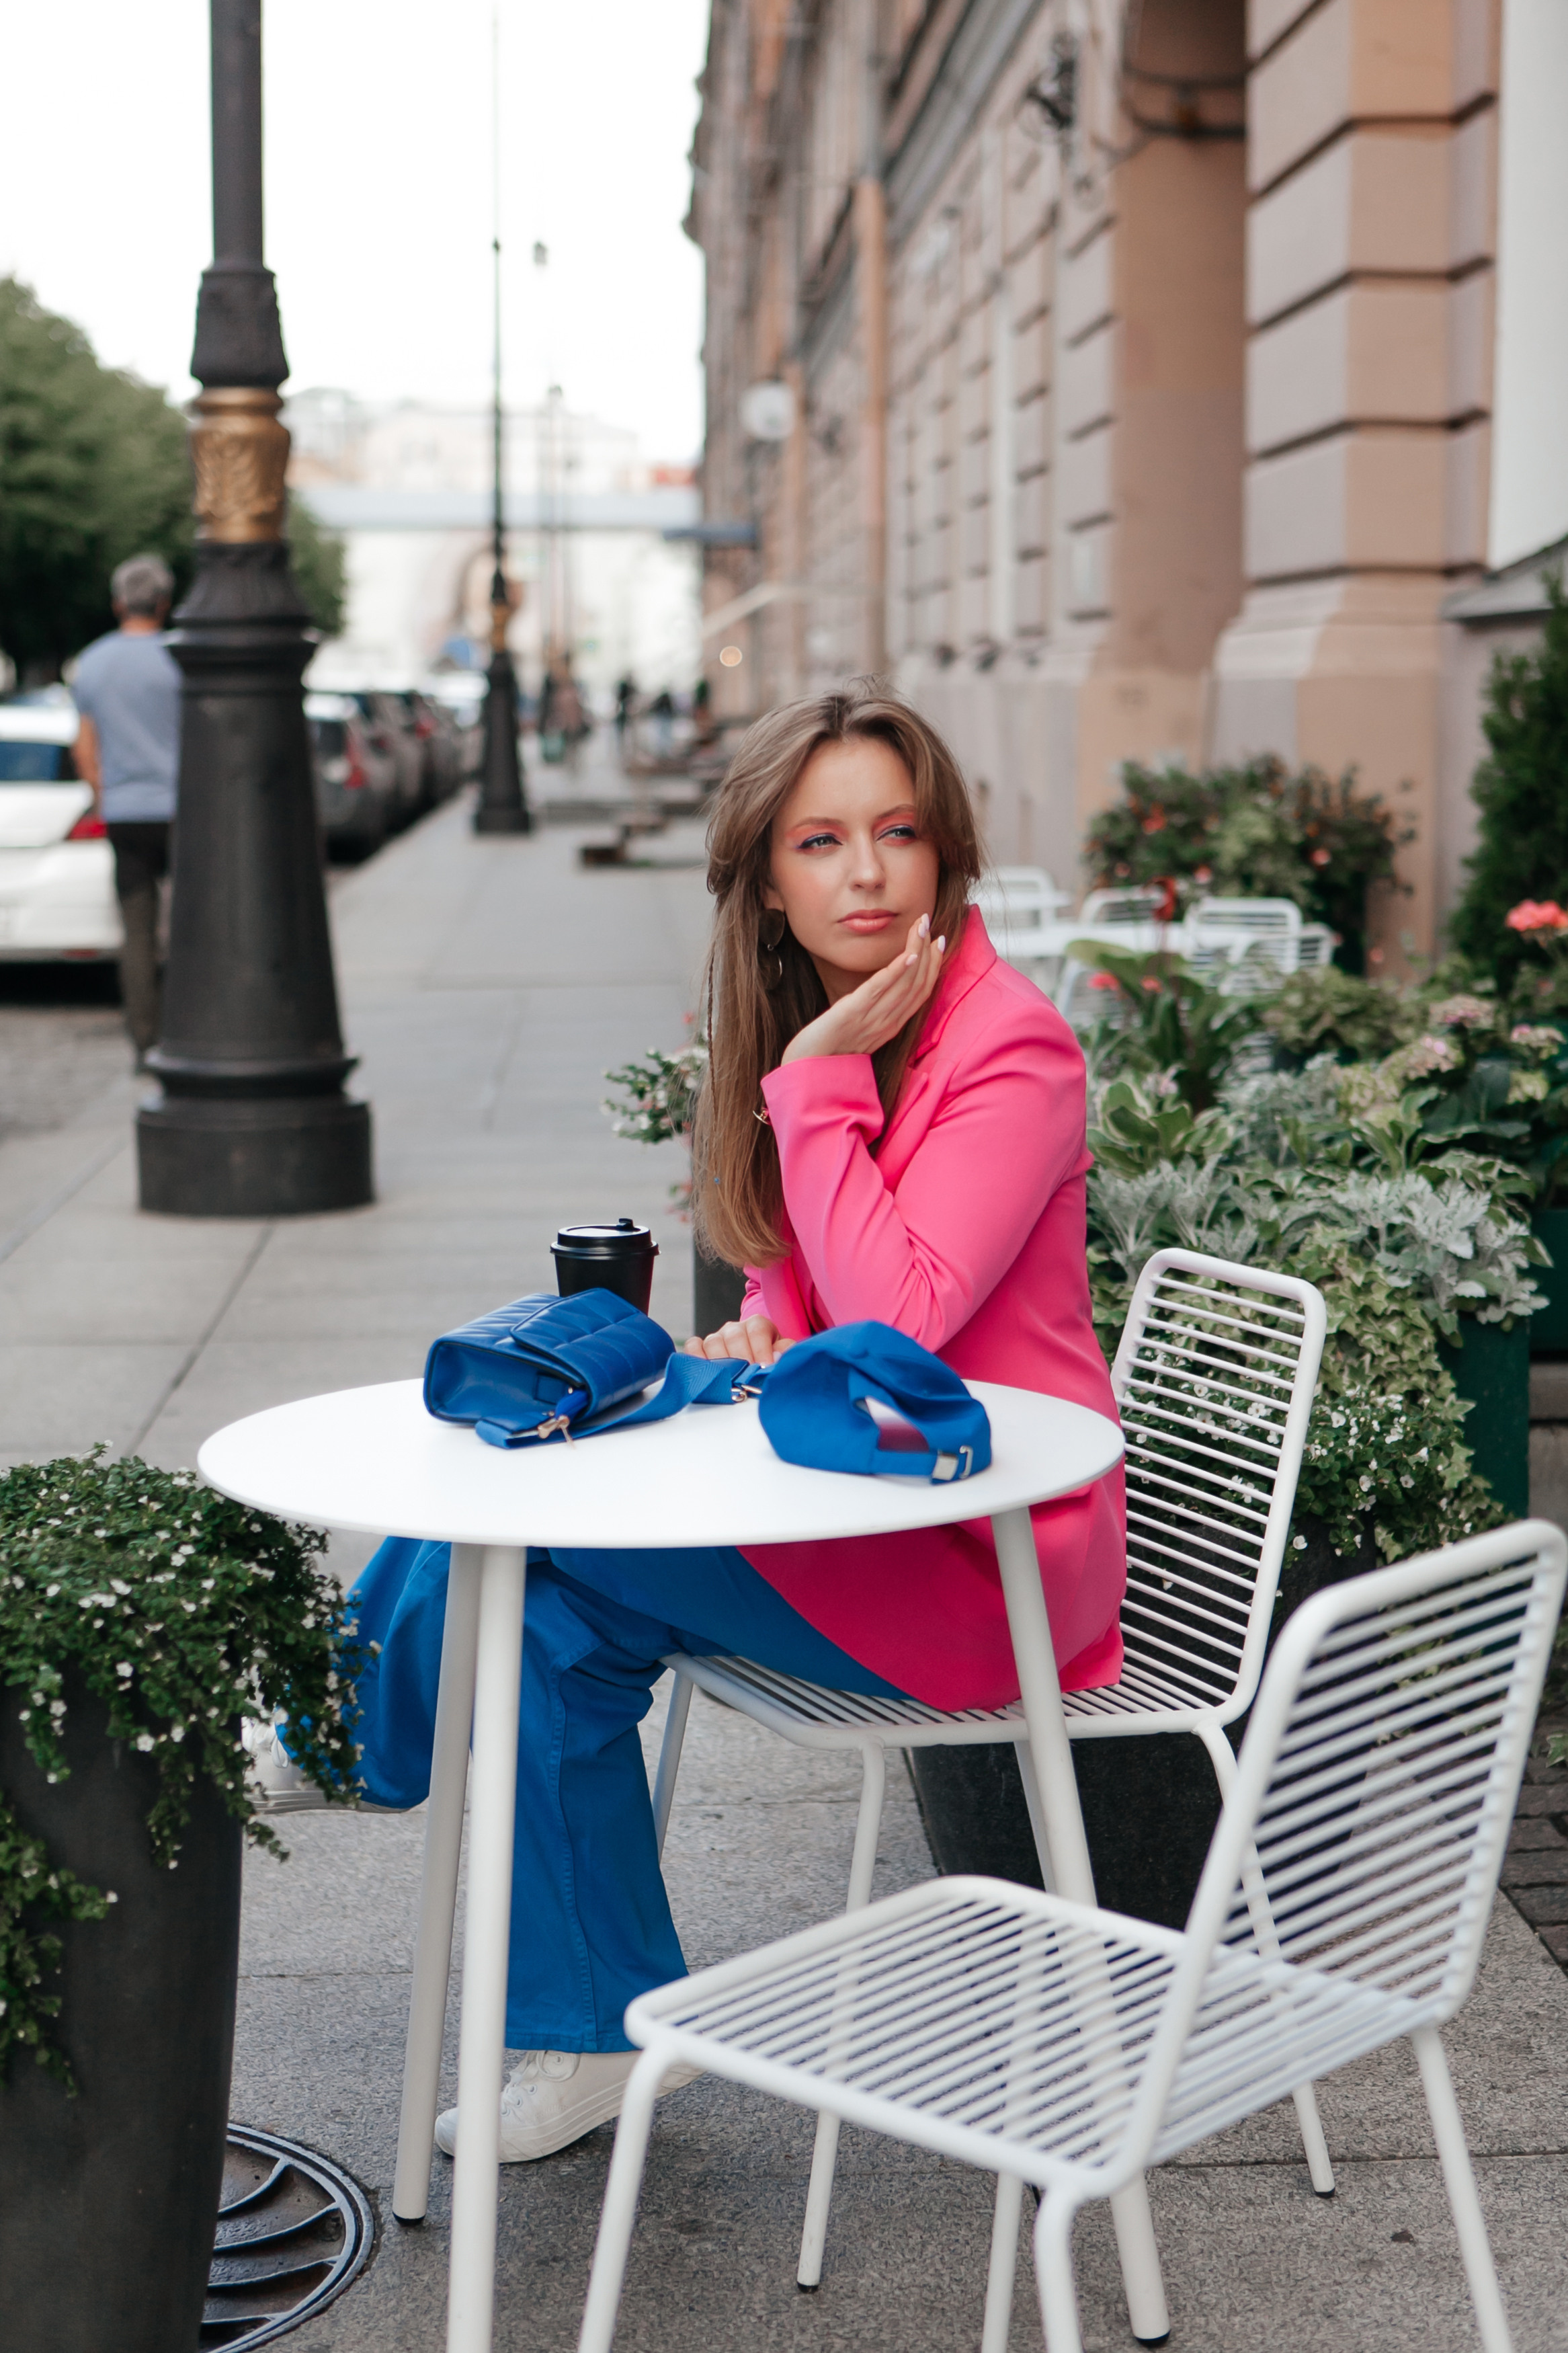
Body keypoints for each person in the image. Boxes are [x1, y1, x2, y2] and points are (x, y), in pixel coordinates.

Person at [248, 684, 1126, 2163]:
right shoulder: (844, 1031)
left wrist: (808, 1087)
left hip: (984, 1560)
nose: (866, 874)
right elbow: (810, 1295)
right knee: (538, 1602)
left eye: (897, 834)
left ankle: (346, 1730)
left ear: (943, 850)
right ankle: (588, 2029)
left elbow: (901, 1318)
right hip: (852, 1500)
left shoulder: (1005, 1051)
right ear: (768, 882)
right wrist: (764, 1324)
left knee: (520, 1539)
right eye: (822, 840)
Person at [73, 555, 181, 1066]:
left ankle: (145, 1039)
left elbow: (85, 748)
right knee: (193, 923)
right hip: (183, 813)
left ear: (118, 603)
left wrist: (104, 795)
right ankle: (191, 1026)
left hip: (126, 813)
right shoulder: (180, 658)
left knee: (136, 931)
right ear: (164, 603)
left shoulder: (91, 663)